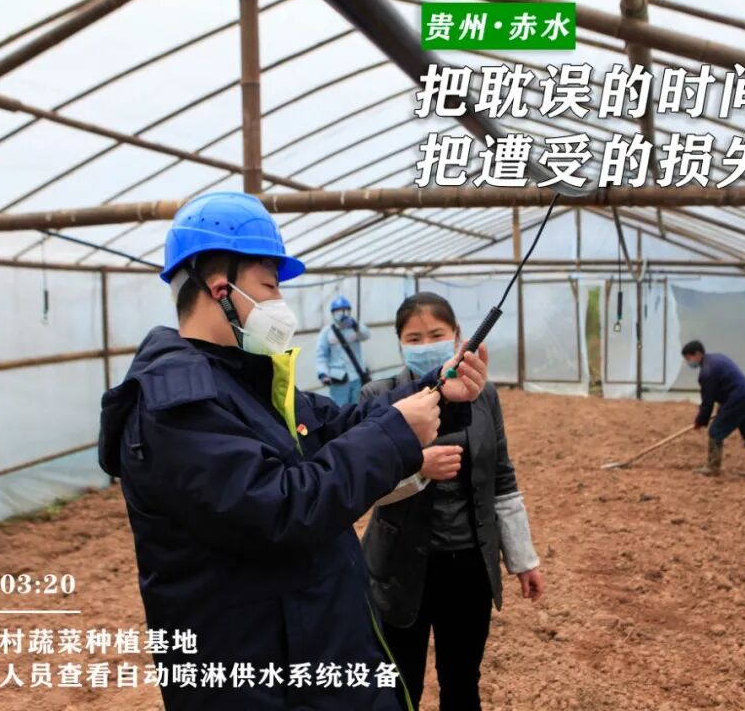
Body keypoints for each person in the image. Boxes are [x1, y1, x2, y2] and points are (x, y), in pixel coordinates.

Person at [97, 192, 489, 711]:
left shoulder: (242, 380)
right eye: (269, 286)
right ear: (220, 289)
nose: (279, 302)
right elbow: (280, 508)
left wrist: (435, 390)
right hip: (259, 677)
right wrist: (395, 433)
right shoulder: (177, 404)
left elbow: (339, 425)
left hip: (309, 647)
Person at [360, 292, 544, 711]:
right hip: (399, 565)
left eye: (436, 335)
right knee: (398, 682)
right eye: (414, 338)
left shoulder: (483, 395)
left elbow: (502, 476)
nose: (426, 345)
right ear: (400, 343)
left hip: (468, 566)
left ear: (458, 336)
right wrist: (418, 467)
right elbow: (365, 482)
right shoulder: (379, 395)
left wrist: (523, 559)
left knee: (462, 680)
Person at [682, 340, 745, 478]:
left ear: (697, 354)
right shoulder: (716, 359)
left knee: (716, 431)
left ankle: (712, 467)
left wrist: (700, 421)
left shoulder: (707, 372)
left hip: (738, 399)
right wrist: (721, 410)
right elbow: (727, 386)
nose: (688, 362)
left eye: (688, 358)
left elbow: (707, 402)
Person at [316, 295, 371, 405]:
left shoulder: (355, 328)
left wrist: (356, 325)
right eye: (338, 311)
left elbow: (366, 335)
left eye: (345, 310)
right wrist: (323, 373)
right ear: (333, 313)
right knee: (340, 409)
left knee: (358, 406)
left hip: (357, 375)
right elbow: (321, 355)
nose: (342, 313)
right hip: (339, 378)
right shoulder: (327, 331)